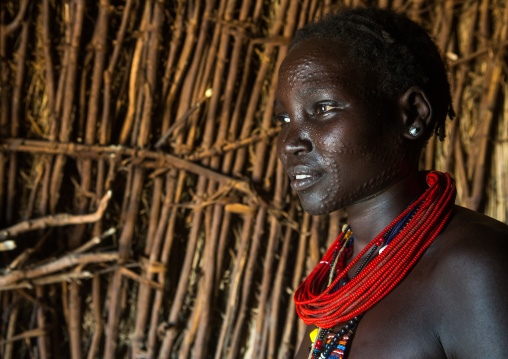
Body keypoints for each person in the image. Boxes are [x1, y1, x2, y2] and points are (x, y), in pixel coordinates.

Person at [274, 7, 508, 359]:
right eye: (285, 118)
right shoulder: (343, 281)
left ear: (412, 114)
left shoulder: (473, 268)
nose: (291, 141)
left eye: (322, 108)